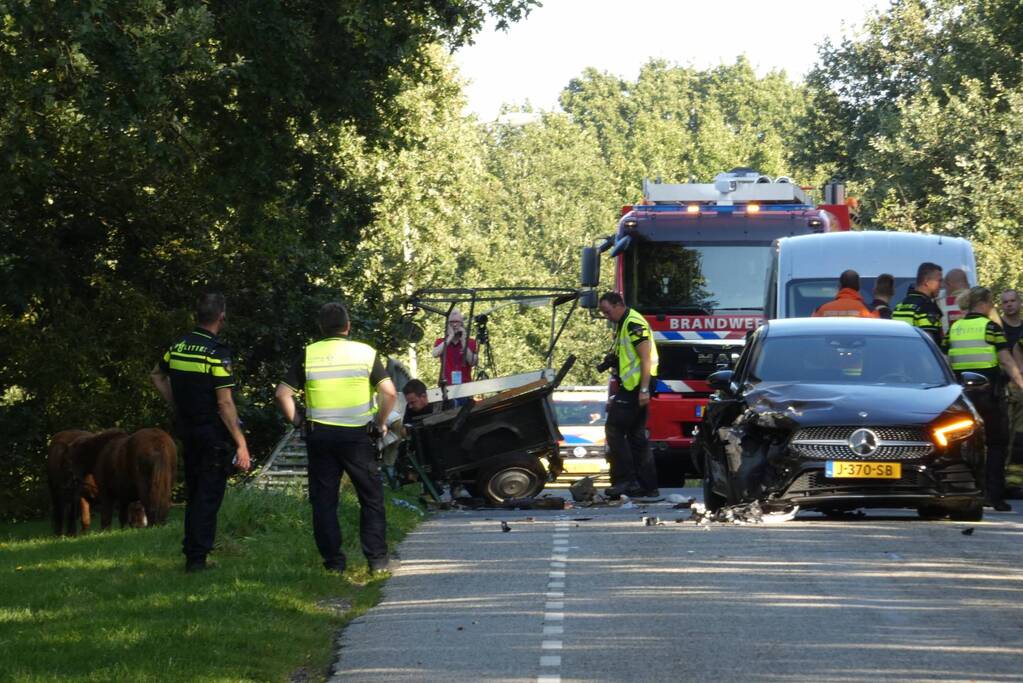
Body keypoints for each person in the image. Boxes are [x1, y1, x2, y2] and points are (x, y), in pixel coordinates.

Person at [274, 302, 397, 574]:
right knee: (371, 497)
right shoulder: (365, 353)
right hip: (358, 437)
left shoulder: (309, 354)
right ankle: (377, 561)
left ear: (321, 328)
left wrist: (298, 422)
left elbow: (283, 393)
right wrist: (380, 423)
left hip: (321, 436)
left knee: (324, 501)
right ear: (348, 325)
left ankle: (334, 564)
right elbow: (389, 393)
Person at [150, 293, 251, 573]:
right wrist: (240, 443)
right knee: (208, 495)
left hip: (187, 429)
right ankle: (197, 558)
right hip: (211, 433)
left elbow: (157, 374)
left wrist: (176, 403)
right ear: (221, 316)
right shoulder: (215, 352)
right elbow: (225, 403)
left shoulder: (179, 346)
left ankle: (192, 550)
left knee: (195, 491)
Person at [949, 287, 1023, 512]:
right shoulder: (991, 328)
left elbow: (944, 359)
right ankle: (994, 495)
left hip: (961, 398)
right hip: (988, 396)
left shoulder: (955, 328)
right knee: (996, 444)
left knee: (963, 444)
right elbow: (1007, 362)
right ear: (985, 302)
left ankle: (964, 490)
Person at [598, 292, 660, 500]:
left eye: (607, 312)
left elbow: (646, 359)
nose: (607, 317)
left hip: (636, 387)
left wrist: (643, 389)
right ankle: (647, 486)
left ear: (618, 305)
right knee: (636, 435)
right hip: (632, 386)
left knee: (614, 429)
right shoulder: (624, 323)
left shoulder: (633, 323)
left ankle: (625, 480)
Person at [893, 262, 945, 349]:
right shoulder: (927, 306)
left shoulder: (900, 305)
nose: (942, 285)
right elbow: (930, 342)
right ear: (927, 282)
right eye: (939, 281)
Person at [431, 309, 477, 391]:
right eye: (451, 322)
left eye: (457, 322)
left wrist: (463, 341)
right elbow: (435, 354)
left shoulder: (471, 342)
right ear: (447, 324)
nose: (454, 325)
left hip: (465, 387)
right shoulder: (441, 341)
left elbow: (473, 362)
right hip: (446, 386)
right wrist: (450, 336)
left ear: (462, 324)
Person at [812, 270, 878, 318]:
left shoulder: (821, 310)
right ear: (859, 286)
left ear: (839, 286)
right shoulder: (870, 311)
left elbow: (813, 332)